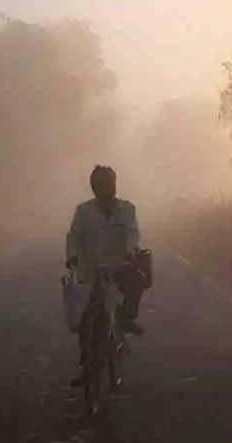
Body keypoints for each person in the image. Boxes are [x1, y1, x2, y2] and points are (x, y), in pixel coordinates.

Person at [65, 165, 144, 386]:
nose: (105, 188)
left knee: (137, 278)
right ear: (93, 187)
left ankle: (128, 318)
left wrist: (131, 251)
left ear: (114, 184)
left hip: (119, 267)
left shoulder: (127, 209)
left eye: (108, 183)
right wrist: (72, 256)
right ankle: (86, 364)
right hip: (89, 271)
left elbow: (132, 233)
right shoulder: (83, 212)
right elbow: (73, 237)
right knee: (85, 319)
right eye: (99, 184)